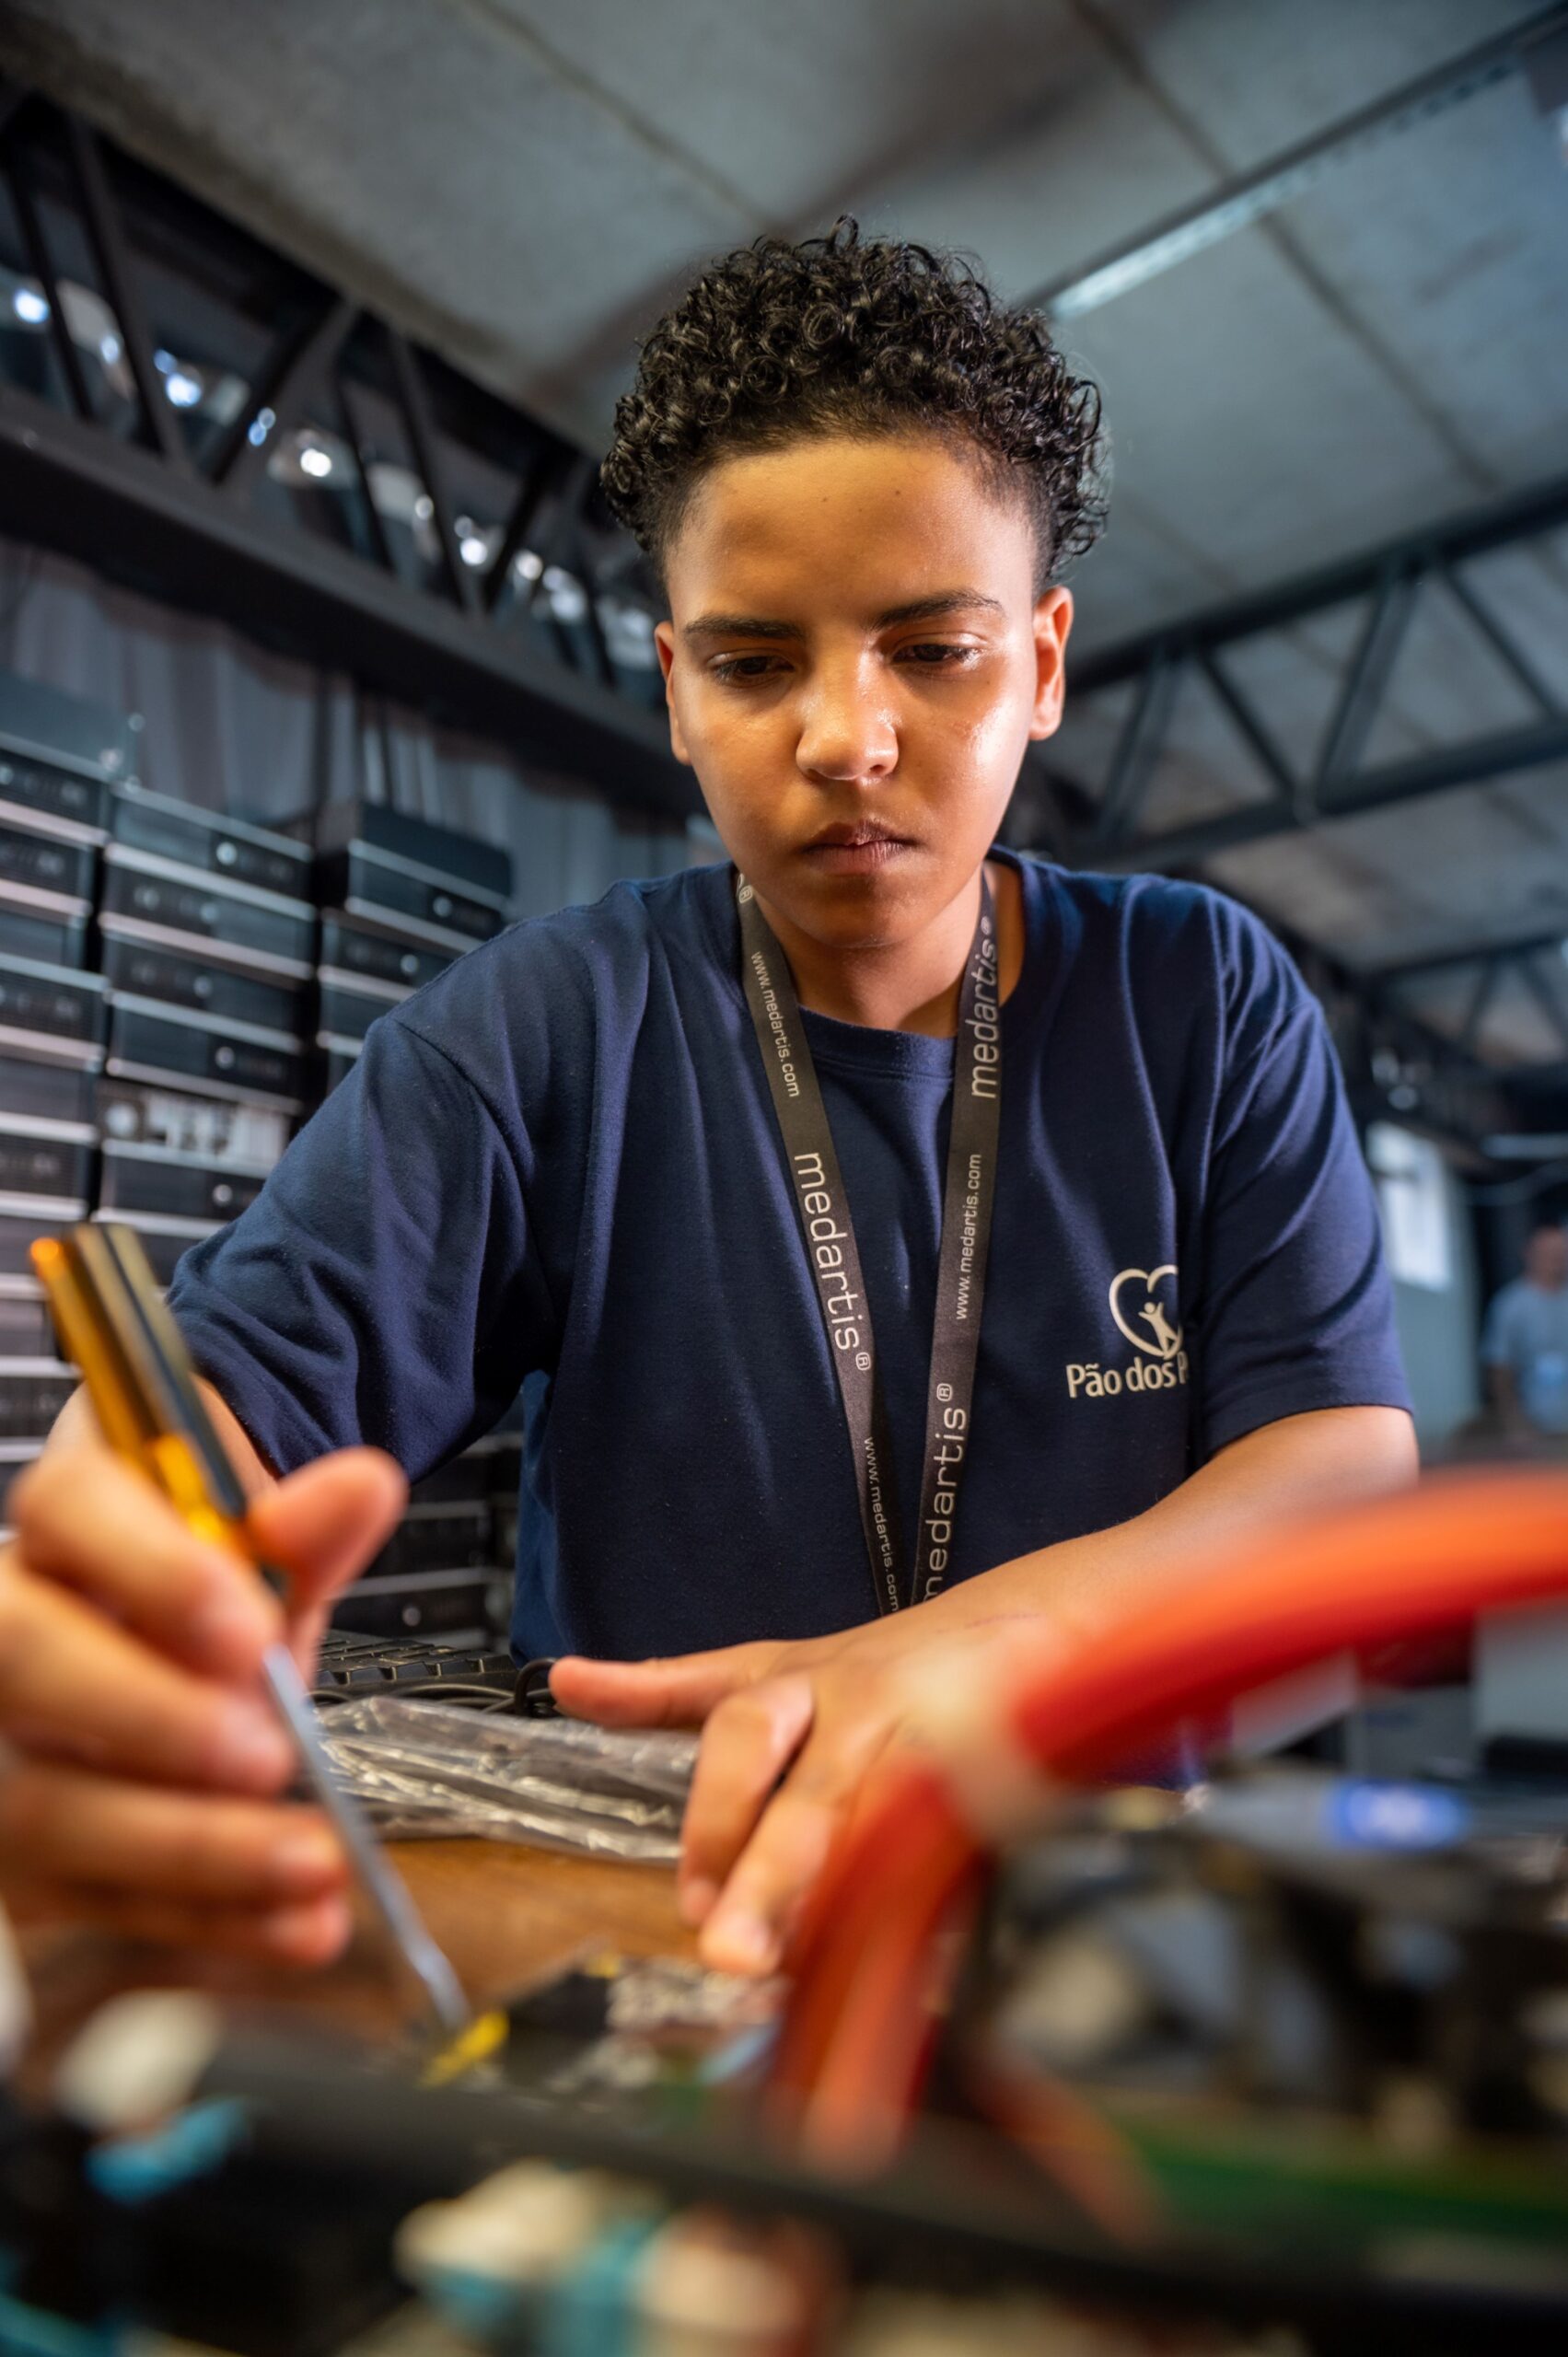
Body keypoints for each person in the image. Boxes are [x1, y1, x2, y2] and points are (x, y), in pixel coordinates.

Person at [0, 223, 1416, 1981]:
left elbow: (1338, 1457)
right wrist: (102, 1604)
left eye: (933, 649)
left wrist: (948, 1652)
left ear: (1041, 665)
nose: (846, 737)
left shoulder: (1195, 999)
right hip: (673, 1927)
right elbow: (219, 1407)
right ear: (675, 688)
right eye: (756, 663)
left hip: (1109, 1913)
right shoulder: (537, 1034)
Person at [1481, 1222, 1568, 1442]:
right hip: (1534, 1425)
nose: (1555, 1259)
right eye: (1547, 1252)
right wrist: (1514, 1423)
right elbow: (1499, 1368)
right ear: (1529, 1253)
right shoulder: (1511, 1304)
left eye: (1560, 1252)